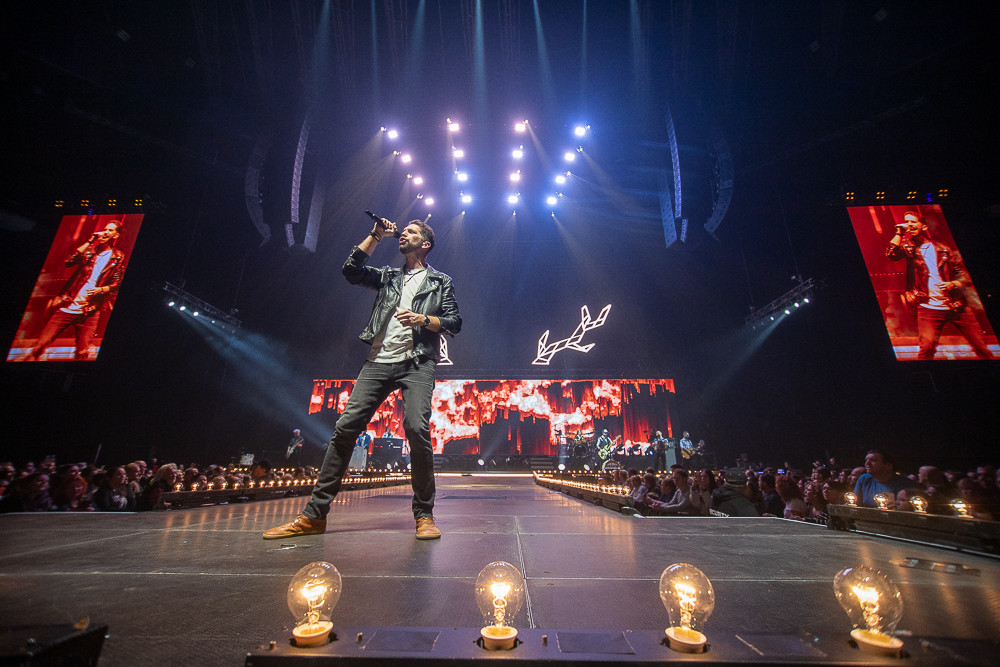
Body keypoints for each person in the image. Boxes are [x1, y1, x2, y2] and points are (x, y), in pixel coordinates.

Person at [264, 215, 461, 541]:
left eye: (411, 232)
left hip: (417, 363)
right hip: (378, 362)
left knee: (416, 428)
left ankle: (424, 515)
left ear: (425, 244)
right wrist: (375, 235)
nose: (404, 234)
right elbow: (351, 271)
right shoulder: (389, 277)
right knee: (345, 430)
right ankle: (314, 516)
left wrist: (423, 318)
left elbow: (454, 322)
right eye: (403, 231)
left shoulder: (440, 281)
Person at [887, 210, 992, 359]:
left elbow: (963, 275)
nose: (909, 225)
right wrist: (899, 233)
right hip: (928, 307)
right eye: (907, 222)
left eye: (913, 222)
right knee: (926, 349)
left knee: (981, 347)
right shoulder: (909, 248)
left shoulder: (943, 248)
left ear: (923, 226)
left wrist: (953, 283)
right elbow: (891, 254)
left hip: (956, 305)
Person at [24, 220, 126, 361]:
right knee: (39, 347)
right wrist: (90, 241)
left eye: (110, 230)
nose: (105, 233)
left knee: (82, 353)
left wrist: (100, 290)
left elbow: (117, 283)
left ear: (116, 235)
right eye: (105, 229)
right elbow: (69, 262)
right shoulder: (90, 251)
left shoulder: (117, 257)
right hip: (67, 306)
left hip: (89, 311)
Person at [852, 449, 918, 508]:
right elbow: (856, 503)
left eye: (873, 460)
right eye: (866, 460)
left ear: (888, 466)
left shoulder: (905, 484)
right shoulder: (864, 479)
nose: (867, 463)